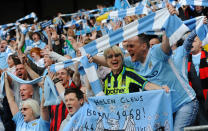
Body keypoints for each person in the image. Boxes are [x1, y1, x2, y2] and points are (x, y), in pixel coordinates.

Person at [88, 5, 198, 130]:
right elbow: (111, 61)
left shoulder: (156, 52)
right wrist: (92, 57)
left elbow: (166, 45)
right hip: (166, 107)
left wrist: (169, 20)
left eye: (131, 46)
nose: (128, 50)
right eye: (127, 46)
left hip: (185, 103)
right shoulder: (131, 61)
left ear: (144, 46)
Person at [103, 46, 169, 95]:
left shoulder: (131, 74)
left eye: (117, 55)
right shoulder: (106, 79)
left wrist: (161, 89)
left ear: (122, 58)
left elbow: (147, 85)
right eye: (110, 57)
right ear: (106, 60)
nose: (114, 58)